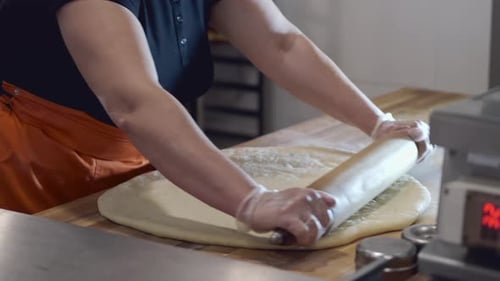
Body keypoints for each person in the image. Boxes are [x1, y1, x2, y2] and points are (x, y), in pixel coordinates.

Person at [0, 0, 432, 246]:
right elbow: (133, 101)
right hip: (40, 159)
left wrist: (378, 125)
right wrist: (253, 202)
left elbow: (281, 44)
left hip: (142, 151)